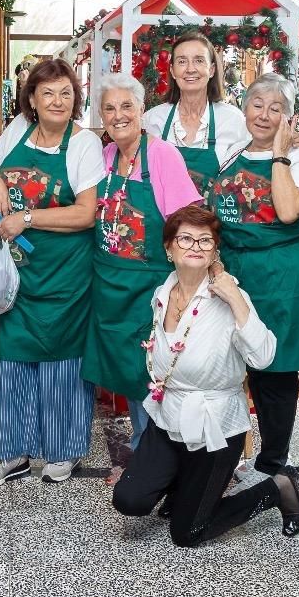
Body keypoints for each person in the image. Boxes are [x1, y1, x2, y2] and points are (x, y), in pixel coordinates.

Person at [112, 205, 299, 545]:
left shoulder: (230, 298)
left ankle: (278, 487)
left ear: (215, 251)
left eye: (205, 241)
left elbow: (263, 357)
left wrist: (236, 298)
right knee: (129, 500)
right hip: (168, 417)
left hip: (214, 426)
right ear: (169, 248)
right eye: (185, 238)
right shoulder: (163, 293)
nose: (195, 246)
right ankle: (183, 485)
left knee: (188, 533)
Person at [0, 58, 105, 488]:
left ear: (75, 99)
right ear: (31, 98)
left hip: (66, 274)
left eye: (66, 93)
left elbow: (86, 214)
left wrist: (26, 219)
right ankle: (10, 452)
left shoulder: (83, 144)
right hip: (20, 272)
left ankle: (62, 452)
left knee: (63, 364)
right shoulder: (17, 130)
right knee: (14, 360)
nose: (57, 101)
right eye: (47, 93)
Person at [83, 72, 202, 460]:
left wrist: (189, 285)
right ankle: (144, 450)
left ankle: (154, 459)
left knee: (152, 373)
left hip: (150, 287)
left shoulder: (162, 155)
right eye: (110, 108)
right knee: (130, 376)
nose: (118, 115)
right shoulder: (103, 157)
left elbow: (189, 223)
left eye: (127, 106)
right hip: (110, 285)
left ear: (142, 110)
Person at [208, 73, 299, 477]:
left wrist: (280, 153)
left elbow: (290, 210)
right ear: (244, 109)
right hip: (235, 271)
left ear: (289, 119)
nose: (265, 114)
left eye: (277, 109)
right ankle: (231, 458)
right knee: (236, 367)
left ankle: (273, 462)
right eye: (258, 104)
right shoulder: (232, 151)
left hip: (282, 276)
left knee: (275, 369)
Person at [141, 32, 248, 196]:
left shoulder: (232, 119)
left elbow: (249, 170)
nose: (190, 69)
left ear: (211, 69)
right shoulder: (152, 119)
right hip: (163, 220)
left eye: (199, 60)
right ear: (173, 70)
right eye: (182, 61)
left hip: (214, 219)